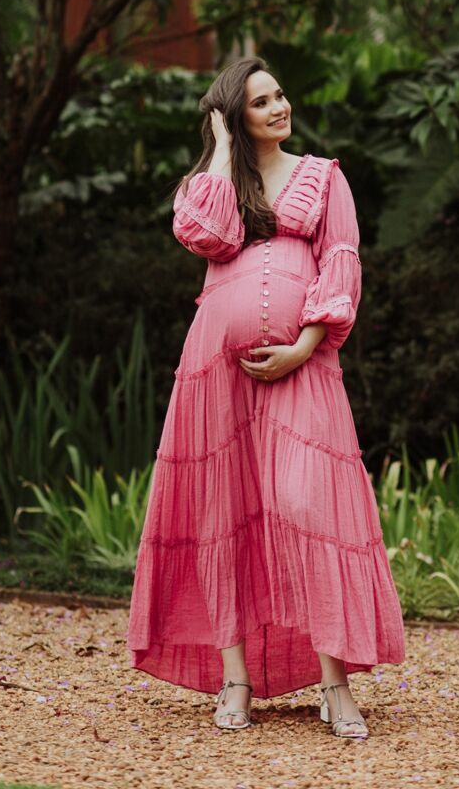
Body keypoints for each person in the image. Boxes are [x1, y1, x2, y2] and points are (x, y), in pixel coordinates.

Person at [126, 55, 406, 739]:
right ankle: (236, 682)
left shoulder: (323, 177)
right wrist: (223, 151)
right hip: (215, 375)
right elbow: (208, 235)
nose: (280, 107)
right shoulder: (209, 186)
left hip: (302, 368)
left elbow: (340, 260)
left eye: (280, 94)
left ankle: (335, 686)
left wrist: (303, 347)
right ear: (233, 117)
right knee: (219, 513)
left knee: (308, 506)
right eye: (260, 102)